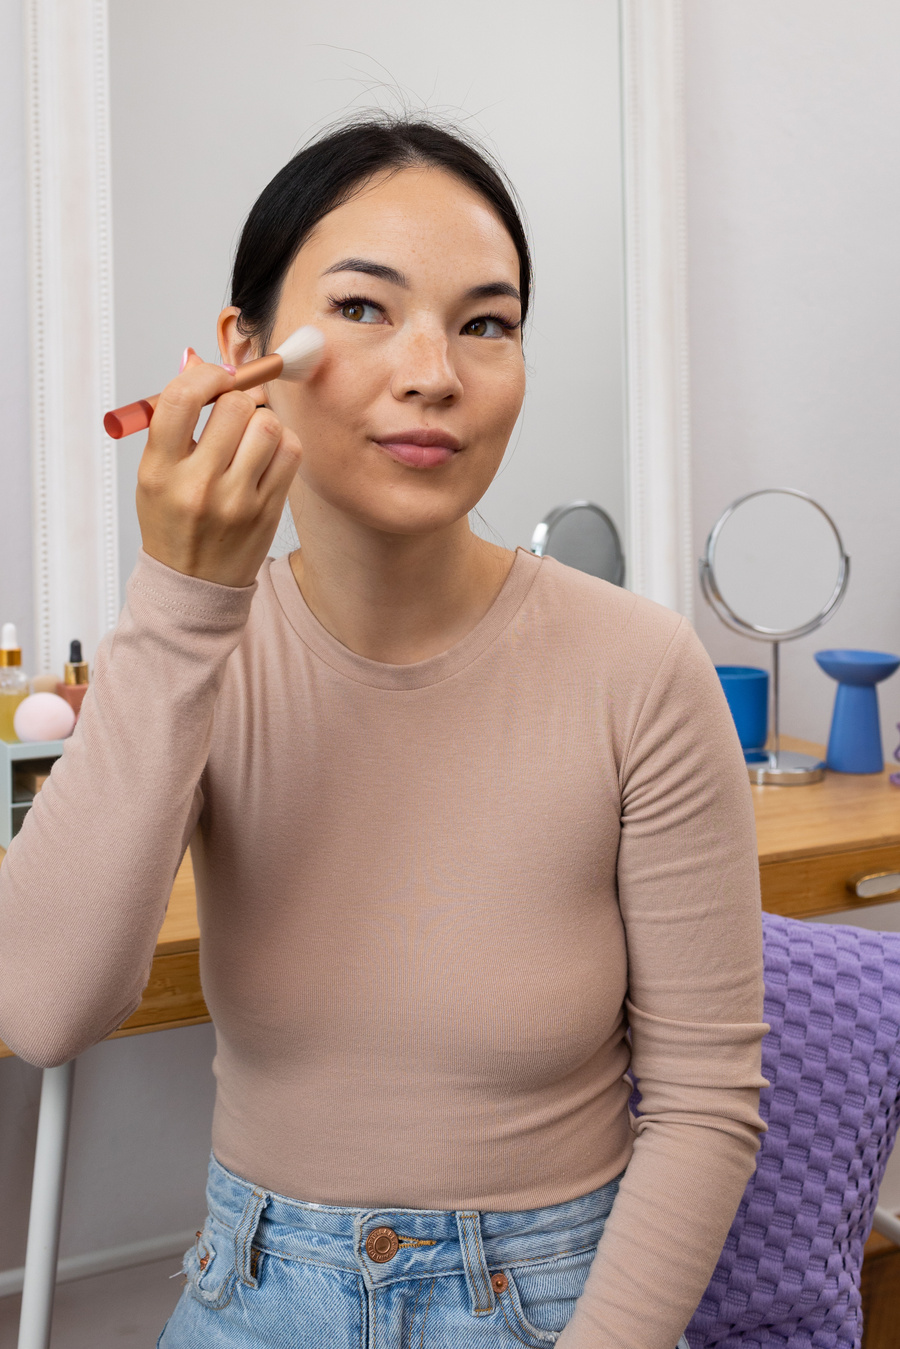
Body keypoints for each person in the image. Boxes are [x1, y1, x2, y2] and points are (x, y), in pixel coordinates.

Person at [0, 116, 767, 1349]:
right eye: (363, 309)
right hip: (248, 1291)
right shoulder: (203, 653)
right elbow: (42, 1006)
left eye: (487, 321)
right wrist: (184, 601)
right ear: (246, 351)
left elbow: (706, 1106)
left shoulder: (640, 667)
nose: (435, 372)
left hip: (553, 1305)